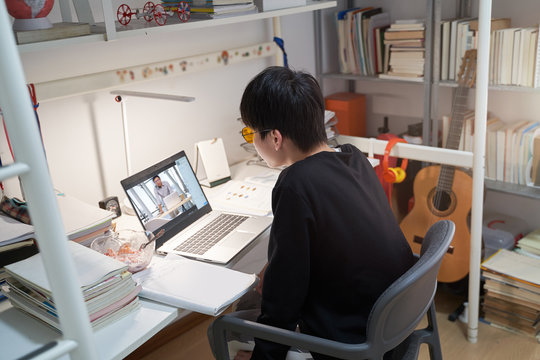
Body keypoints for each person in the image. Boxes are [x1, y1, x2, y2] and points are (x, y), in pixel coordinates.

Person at [209, 66, 415, 360]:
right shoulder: (353, 158)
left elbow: (283, 304)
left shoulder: (295, 185)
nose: (252, 142)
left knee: (223, 328)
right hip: (391, 324)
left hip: (348, 341)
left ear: (276, 138)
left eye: (250, 132)